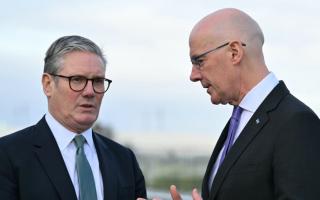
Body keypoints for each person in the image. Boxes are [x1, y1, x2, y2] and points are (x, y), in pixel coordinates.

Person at [141, 8, 320, 200]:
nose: (193, 75)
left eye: (199, 61)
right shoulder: (242, 119)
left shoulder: (296, 123)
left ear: (234, 52)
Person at [0, 35, 147, 200]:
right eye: (77, 80)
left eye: (98, 81)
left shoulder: (124, 160)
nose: (90, 91)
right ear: (48, 84)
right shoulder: (7, 155)